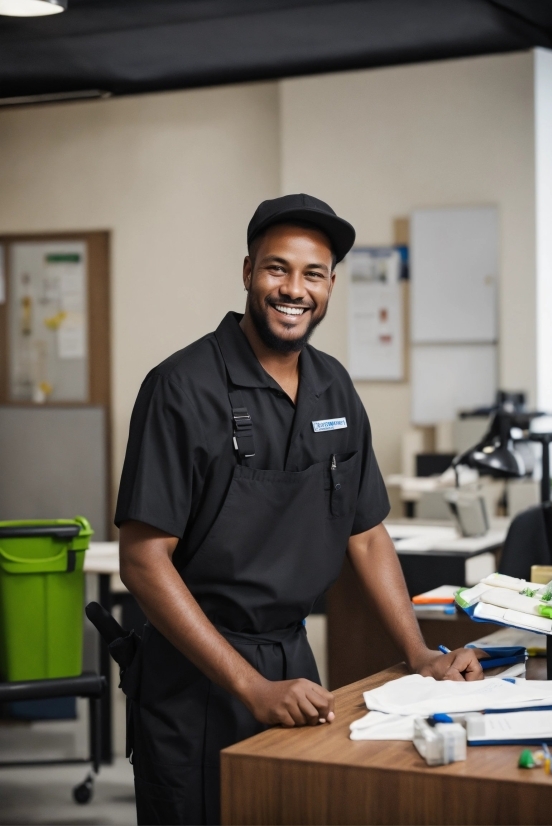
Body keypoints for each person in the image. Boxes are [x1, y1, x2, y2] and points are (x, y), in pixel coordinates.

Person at [116, 193, 483, 826]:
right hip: (195, 676)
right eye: (276, 268)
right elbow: (144, 561)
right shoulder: (181, 388)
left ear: (331, 284)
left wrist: (418, 652)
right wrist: (248, 686)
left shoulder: (332, 385)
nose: (294, 289)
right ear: (247, 273)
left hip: (293, 662)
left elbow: (366, 535)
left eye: (312, 274)